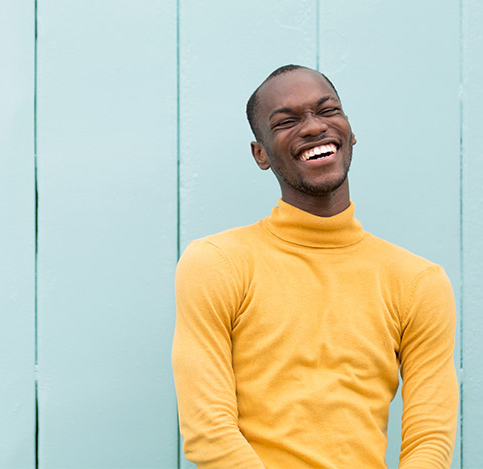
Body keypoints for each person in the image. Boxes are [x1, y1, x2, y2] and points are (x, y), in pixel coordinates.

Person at [171, 65, 458, 468]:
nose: (312, 127)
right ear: (261, 154)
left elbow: (430, 438)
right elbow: (208, 433)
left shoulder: (418, 282)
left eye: (328, 111)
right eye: (286, 121)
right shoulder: (217, 263)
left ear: (350, 131)